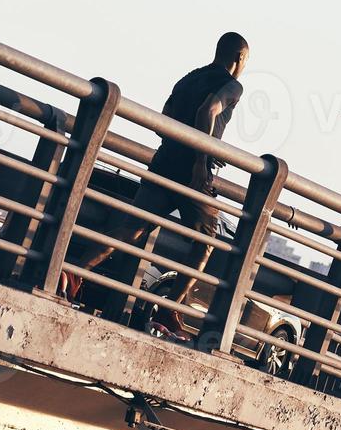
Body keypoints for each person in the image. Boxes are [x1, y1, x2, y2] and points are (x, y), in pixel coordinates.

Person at [61, 32, 249, 334]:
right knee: (206, 244)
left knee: (132, 227)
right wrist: (204, 157)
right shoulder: (233, 86)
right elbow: (208, 110)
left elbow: (166, 114)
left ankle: (73, 272)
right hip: (193, 173)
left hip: (165, 162)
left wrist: (178, 144)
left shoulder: (189, 78)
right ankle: (169, 310)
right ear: (240, 59)